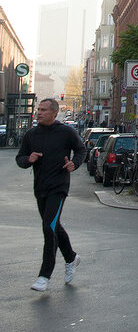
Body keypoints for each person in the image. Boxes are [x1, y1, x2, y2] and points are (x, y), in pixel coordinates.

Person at [15, 97, 86, 292]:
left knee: (48, 227)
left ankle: (44, 275)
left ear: (54, 113)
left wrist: (74, 163)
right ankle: (71, 257)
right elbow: (20, 158)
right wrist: (28, 159)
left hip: (59, 187)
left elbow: (81, 150)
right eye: (39, 109)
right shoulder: (31, 134)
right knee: (53, 226)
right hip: (40, 188)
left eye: (44, 110)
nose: (39, 112)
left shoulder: (66, 132)